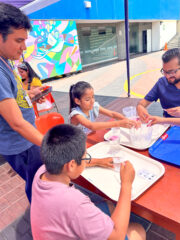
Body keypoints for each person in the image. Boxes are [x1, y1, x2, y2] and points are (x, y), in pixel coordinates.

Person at [31, 124, 146, 240]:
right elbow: (117, 237)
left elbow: (68, 165)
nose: (86, 160)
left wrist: (97, 161)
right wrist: (127, 184)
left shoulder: (43, 170)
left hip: (54, 228)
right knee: (138, 230)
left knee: (109, 205)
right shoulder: (75, 203)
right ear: (71, 165)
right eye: (85, 157)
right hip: (74, 218)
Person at [0, 2, 44, 202]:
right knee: (38, 185)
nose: (24, 47)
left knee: (38, 181)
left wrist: (31, 94)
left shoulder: (6, 60)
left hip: (25, 140)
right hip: (20, 143)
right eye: (19, 40)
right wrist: (51, 146)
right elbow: (16, 122)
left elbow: (11, 97)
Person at [69, 81, 139, 135]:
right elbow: (91, 126)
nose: (92, 101)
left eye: (93, 97)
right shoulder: (76, 115)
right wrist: (119, 123)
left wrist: (128, 121)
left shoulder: (93, 106)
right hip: (77, 143)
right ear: (78, 101)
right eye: (87, 99)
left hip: (90, 136)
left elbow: (112, 114)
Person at [137, 48, 180, 123]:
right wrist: (140, 108)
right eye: (164, 71)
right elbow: (142, 104)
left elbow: (163, 120)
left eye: (172, 72)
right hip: (168, 126)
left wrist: (163, 120)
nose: (167, 76)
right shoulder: (162, 83)